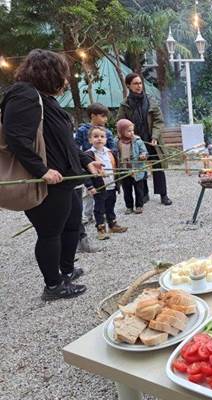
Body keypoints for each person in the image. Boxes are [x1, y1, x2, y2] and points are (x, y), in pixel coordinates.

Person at [1, 49, 103, 300]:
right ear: (49, 74)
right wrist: (42, 170)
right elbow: (16, 138)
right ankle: (53, 285)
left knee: (71, 225)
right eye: (62, 75)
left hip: (66, 180)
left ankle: (66, 271)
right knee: (50, 233)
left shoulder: (47, 99)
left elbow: (64, 142)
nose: (66, 81)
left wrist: (87, 161)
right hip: (48, 183)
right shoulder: (24, 95)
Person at [117, 73, 172, 206]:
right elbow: (120, 122)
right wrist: (128, 136)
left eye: (140, 83)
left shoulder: (151, 100)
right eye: (135, 83)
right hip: (135, 142)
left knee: (158, 167)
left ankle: (163, 195)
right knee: (139, 167)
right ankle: (144, 194)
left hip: (152, 140)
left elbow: (159, 121)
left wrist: (154, 136)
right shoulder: (125, 104)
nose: (139, 86)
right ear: (128, 85)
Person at [75, 103, 116, 225]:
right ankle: (87, 215)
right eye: (103, 116)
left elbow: (112, 149)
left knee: (103, 191)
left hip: (103, 166)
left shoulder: (107, 132)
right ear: (92, 116)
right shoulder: (82, 130)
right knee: (89, 191)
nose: (105, 119)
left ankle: (104, 215)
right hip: (87, 164)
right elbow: (76, 146)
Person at [84, 127, 128, 240]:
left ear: (106, 139)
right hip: (99, 187)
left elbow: (116, 167)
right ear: (90, 140)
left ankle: (112, 225)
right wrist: (89, 186)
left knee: (111, 205)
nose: (99, 139)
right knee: (99, 208)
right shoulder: (87, 155)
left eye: (102, 137)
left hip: (111, 185)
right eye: (96, 136)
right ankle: (101, 228)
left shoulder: (111, 152)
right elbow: (85, 173)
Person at [116, 119, 148, 214]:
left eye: (132, 130)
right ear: (121, 131)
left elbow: (144, 151)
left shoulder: (137, 140)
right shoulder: (117, 141)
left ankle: (139, 205)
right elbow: (114, 153)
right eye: (129, 131)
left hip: (137, 169)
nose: (131, 133)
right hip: (124, 170)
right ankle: (129, 206)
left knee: (138, 189)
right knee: (127, 190)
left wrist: (143, 155)